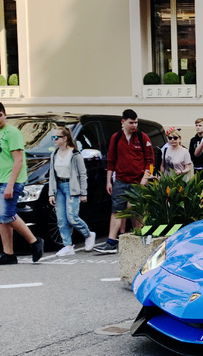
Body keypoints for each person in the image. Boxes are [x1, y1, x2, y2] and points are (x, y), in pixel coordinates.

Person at [94, 109, 154, 254]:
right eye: (131, 122)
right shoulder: (116, 138)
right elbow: (111, 160)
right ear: (123, 122)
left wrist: (145, 178)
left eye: (136, 122)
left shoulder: (143, 137)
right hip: (120, 180)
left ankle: (140, 238)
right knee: (116, 210)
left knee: (136, 210)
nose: (134, 125)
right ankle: (111, 242)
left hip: (138, 181)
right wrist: (109, 181)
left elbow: (151, 161)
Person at [0, 104, 45, 265]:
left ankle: (34, 241)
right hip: (1, 179)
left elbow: (18, 160)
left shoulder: (12, 133)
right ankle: (8, 254)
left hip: (11, 180)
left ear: (4, 114)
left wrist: (10, 185)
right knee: (2, 218)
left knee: (6, 215)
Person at [47, 127, 96, 256]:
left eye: (56, 137)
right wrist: (51, 193)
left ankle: (89, 234)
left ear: (65, 138)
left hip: (72, 187)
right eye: (53, 137)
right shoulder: (54, 154)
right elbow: (52, 174)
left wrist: (83, 192)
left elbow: (82, 174)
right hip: (59, 188)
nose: (54, 139)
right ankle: (67, 245)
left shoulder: (75, 154)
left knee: (72, 217)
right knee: (61, 220)